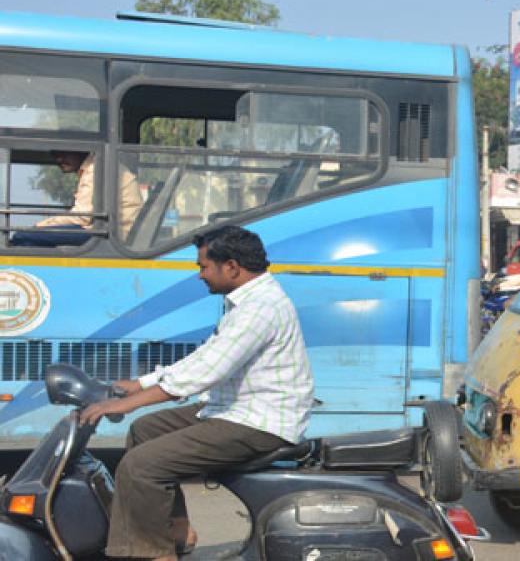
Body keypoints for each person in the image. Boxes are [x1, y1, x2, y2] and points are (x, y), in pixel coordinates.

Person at [80, 226, 313, 560]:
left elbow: (205, 373)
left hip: (260, 423)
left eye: (204, 266)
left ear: (231, 266)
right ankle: (177, 529)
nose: (200, 274)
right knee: (145, 431)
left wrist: (124, 403)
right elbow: (207, 355)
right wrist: (142, 384)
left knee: (139, 466)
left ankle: (156, 553)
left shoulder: (259, 308)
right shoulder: (247, 301)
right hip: (236, 410)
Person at [10, 151, 143, 246]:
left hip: (113, 235)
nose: (59, 160)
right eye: (55, 155)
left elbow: (81, 217)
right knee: (34, 237)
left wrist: (40, 226)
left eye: (63, 153)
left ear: (80, 150)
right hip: (108, 231)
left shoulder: (97, 169)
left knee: (22, 236)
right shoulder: (96, 167)